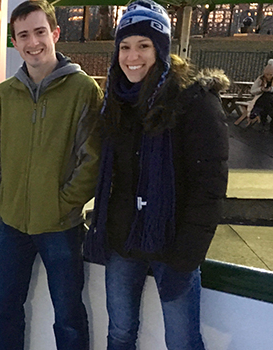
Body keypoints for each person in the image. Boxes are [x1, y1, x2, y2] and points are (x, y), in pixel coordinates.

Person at [83, 1, 229, 349]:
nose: (132, 56)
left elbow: (209, 187)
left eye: (144, 45)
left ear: (161, 48)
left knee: (182, 341)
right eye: (125, 46)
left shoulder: (193, 102)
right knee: (119, 333)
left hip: (174, 243)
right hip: (123, 240)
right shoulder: (115, 102)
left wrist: (186, 256)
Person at [0, 1, 103, 349]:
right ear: (14, 43)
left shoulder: (84, 90)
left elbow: (91, 159)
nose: (33, 42)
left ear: (55, 33)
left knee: (68, 316)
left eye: (39, 32)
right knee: (3, 308)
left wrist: (62, 204)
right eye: (23, 35)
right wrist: (3, 200)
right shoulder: (4, 95)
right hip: (11, 225)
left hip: (61, 227)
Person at [247, 59, 273, 131]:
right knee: (266, 98)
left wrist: (272, 89)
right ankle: (262, 120)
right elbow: (252, 91)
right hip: (264, 102)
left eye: (271, 75)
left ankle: (256, 112)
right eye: (267, 74)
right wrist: (261, 89)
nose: (269, 76)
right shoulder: (260, 78)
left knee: (268, 96)